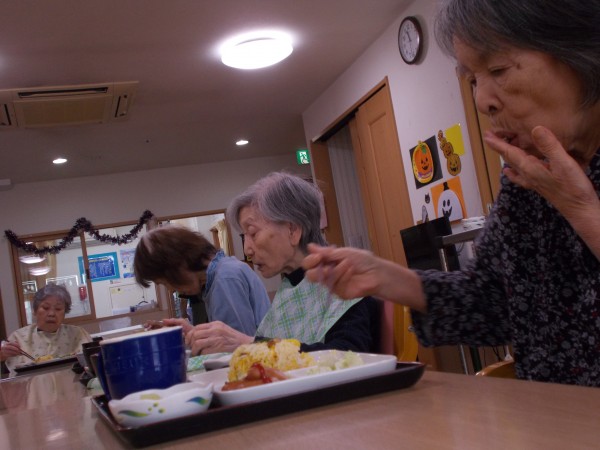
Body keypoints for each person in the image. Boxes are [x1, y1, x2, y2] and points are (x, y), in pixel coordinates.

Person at [303, 0, 600, 387]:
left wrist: (583, 212)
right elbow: (495, 301)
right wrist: (385, 277)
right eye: (473, 79)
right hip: (551, 413)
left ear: (581, 54)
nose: (482, 100)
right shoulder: (525, 176)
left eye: (498, 70)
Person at [184, 171, 381, 355]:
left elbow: (348, 356)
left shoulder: (344, 281)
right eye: (245, 237)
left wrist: (250, 344)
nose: (247, 250)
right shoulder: (291, 286)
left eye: (253, 233)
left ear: (292, 231)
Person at [134, 225, 270, 336]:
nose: (171, 289)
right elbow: (228, 339)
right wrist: (183, 333)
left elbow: (238, 346)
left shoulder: (225, 278)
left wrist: (191, 334)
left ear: (178, 264)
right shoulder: (218, 276)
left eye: (165, 282)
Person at [0, 284, 91, 373]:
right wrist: (2, 356)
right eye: (46, 308)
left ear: (65, 313)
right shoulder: (18, 338)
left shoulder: (78, 334)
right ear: (35, 311)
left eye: (58, 309)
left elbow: (91, 363)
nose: (51, 314)